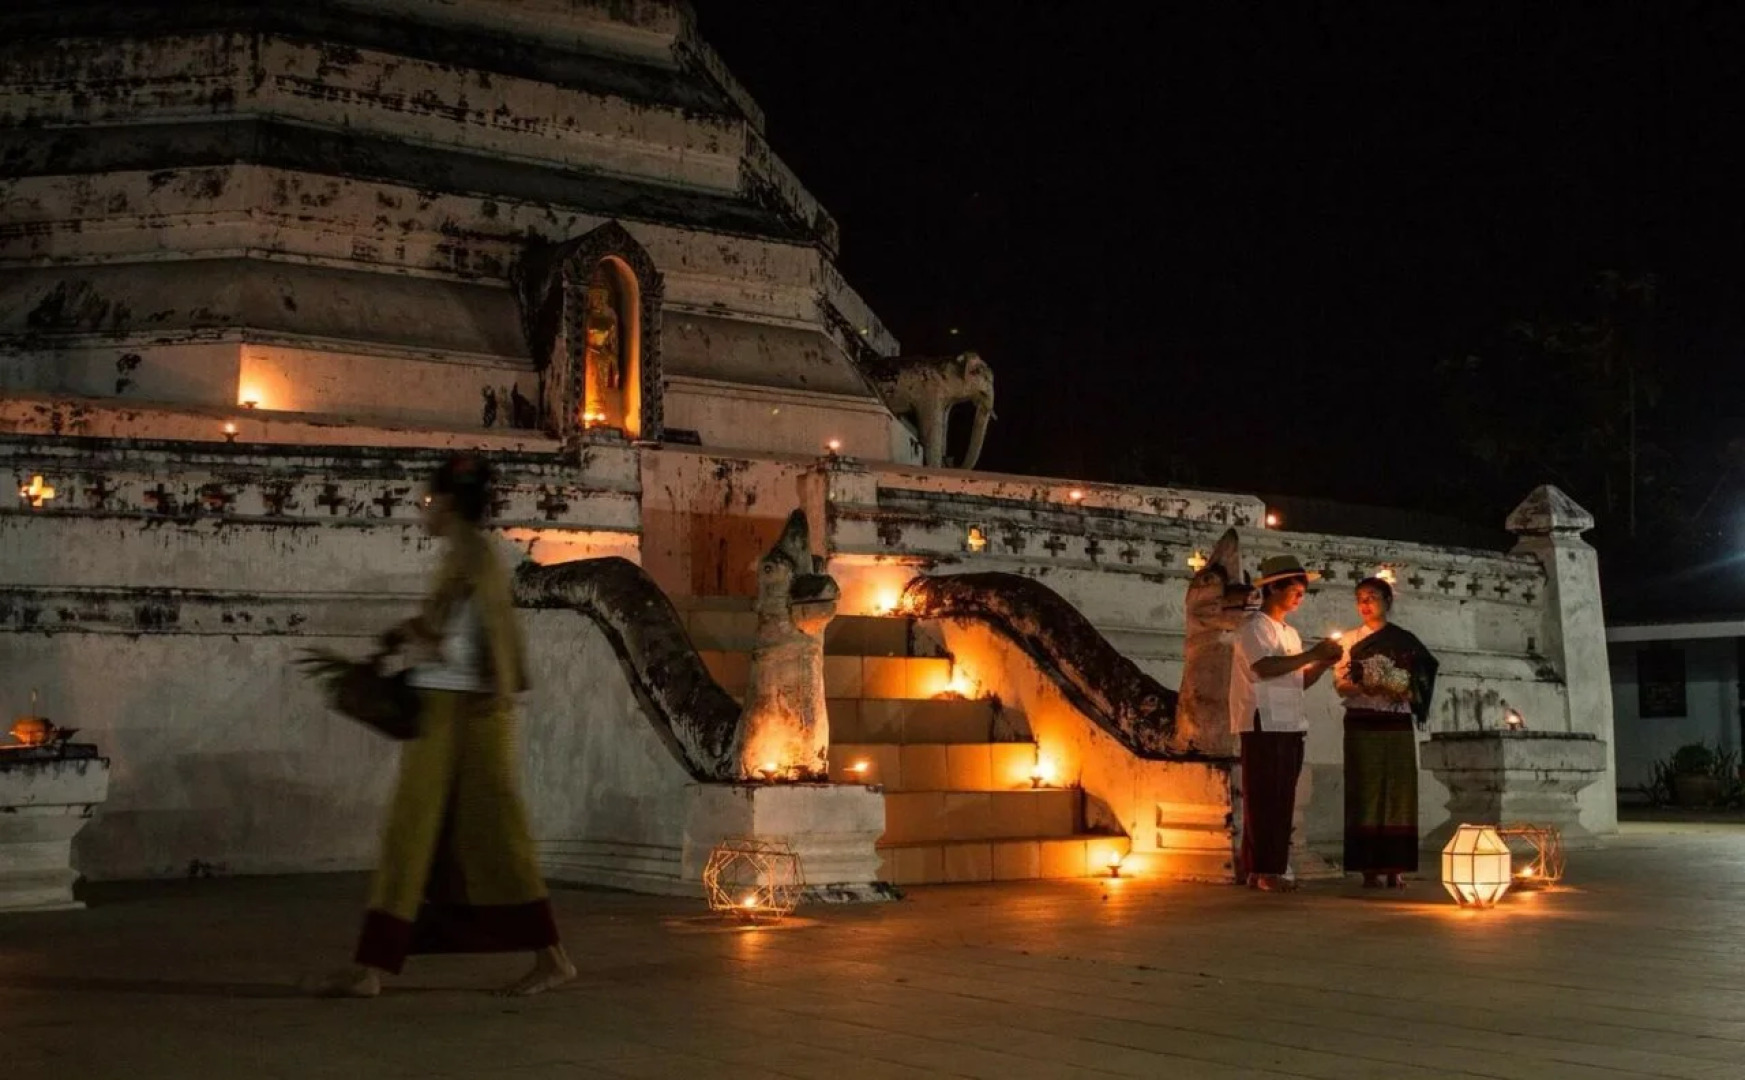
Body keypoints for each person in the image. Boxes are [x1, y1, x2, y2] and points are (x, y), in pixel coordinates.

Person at [319, 454, 574, 997]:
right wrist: (407, 635)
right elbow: (459, 629)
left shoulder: (475, 556)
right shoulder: (466, 554)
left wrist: (414, 641)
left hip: (467, 713)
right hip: (452, 707)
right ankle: (373, 968)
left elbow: (469, 644)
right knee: (436, 832)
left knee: (475, 833)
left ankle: (549, 958)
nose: (423, 512)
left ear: (452, 505)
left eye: (429, 502)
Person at [1229, 554, 1343, 892]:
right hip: (1262, 721)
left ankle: (1273, 866)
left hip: (1291, 722)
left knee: (1282, 799)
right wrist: (1312, 655)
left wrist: (1322, 663)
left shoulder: (1290, 633)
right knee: (1264, 798)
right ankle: (1262, 869)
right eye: (1294, 590)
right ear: (1274, 588)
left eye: (1302, 592)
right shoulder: (1252, 628)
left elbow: (1298, 680)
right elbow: (1263, 668)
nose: (1299, 597)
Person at [1333, 576, 1440, 888]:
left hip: (1396, 722)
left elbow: (1423, 678)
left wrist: (1405, 690)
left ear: (1388, 602)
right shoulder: (1349, 641)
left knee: (1398, 791)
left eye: (1373, 597)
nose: (1366, 604)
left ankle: (1396, 866)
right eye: (1361, 598)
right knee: (1364, 788)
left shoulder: (1404, 640)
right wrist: (1370, 683)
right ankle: (1368, 866)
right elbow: (1340, 685)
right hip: (1362, 719)